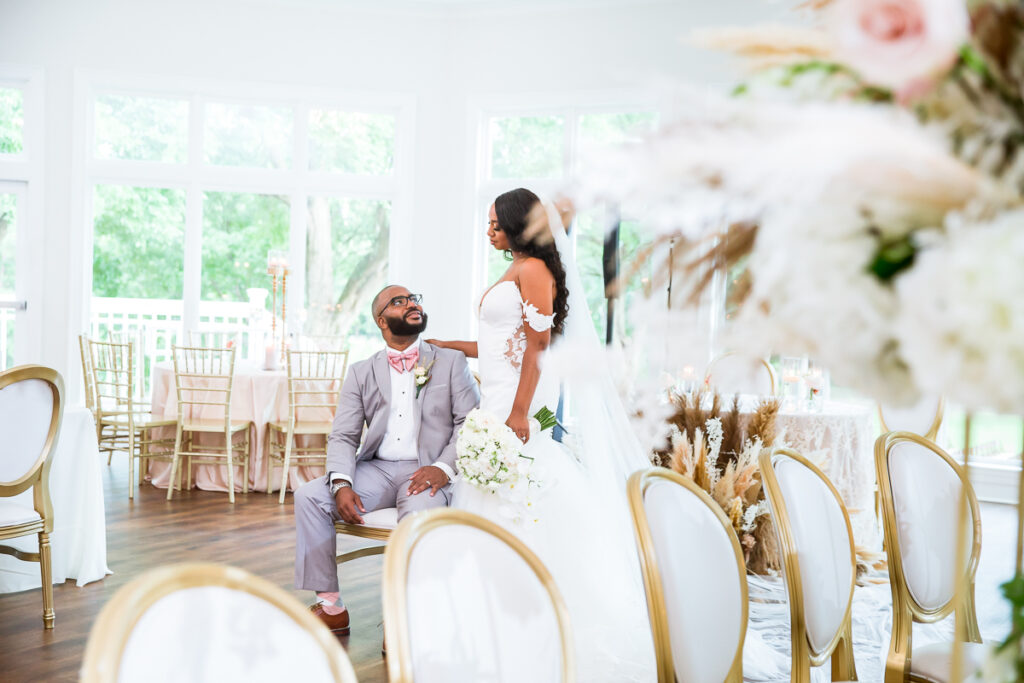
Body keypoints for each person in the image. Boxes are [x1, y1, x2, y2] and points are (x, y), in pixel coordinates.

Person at [428, 188, 657, 680]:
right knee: (496, 495)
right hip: (498, 397)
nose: (488, 231)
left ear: (517, 225)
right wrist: (452, 345)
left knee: (521, 492)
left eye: (494, 223)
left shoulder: (532, 271)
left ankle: (529, 619)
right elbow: (499, 343)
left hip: (513, 403)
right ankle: (493, 618)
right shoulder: (519, 267)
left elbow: (537, 349)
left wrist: (518, 412)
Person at [294, 285, 480, 635]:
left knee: (420, 514)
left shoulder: (451, 361)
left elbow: (471, 423)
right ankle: (332, 606)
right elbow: (344, 435)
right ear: (382, 320)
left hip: (426, 469)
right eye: (399, 301)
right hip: (376, 468)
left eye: (414, 299)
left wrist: (442, 468)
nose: (411, 303)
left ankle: (409, 618)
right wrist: (341, 483)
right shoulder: (361, 371)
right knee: (309, 496)